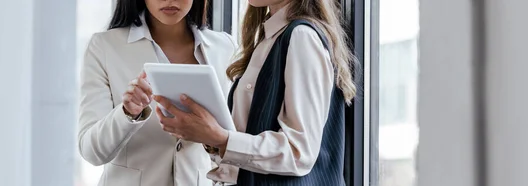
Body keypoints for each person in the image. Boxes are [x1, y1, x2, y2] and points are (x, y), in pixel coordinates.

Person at [153, 0, 357, 185]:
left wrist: (221, 139)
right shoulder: (271, 37)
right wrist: (211, 138)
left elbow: (298, 153)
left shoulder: (301, 36)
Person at [77, 0, 236, 185]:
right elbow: (92, 152)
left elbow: (236, 145)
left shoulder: (225, 47)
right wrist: (127, 113)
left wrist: (212, 138)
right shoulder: (104, 46)